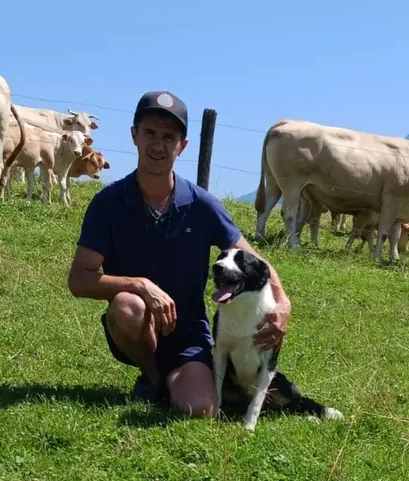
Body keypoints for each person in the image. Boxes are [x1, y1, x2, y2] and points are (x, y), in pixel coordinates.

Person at [67, 90, 292, 417]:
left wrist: (282, 302)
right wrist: (140, 285)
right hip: (136, 324)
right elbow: (79, 280)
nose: (158, 145)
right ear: (134, 136)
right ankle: (152, 376)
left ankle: (181, 380)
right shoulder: (108, 204)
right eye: (150, 133)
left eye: (169, 137)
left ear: (182, 145)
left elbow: (252, 259)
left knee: (200, 409)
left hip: (188, 333)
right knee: (126, 304)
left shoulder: (201, 204)